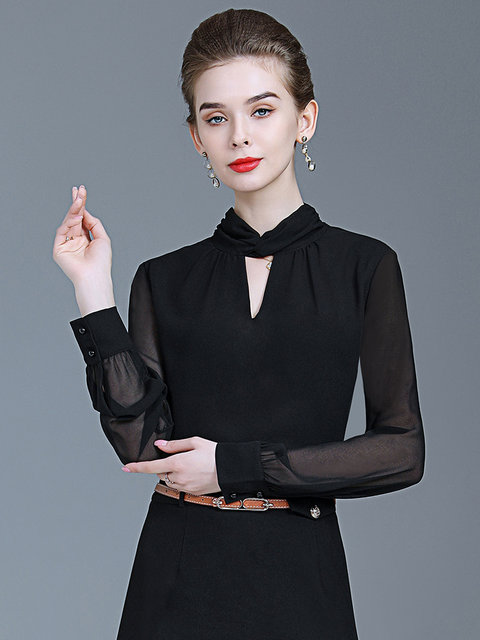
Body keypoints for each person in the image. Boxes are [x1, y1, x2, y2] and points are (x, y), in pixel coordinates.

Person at [52, 8, 425, 640]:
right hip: (175, 579)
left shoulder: (365, 266)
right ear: (197, 136)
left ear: (305, 119)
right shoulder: (162, 278)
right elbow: (144, 447)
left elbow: (402, 452)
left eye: (262, 110)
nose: (239, 138)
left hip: (300, 580)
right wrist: (93, 292)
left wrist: (236, 465)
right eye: (216, 118)